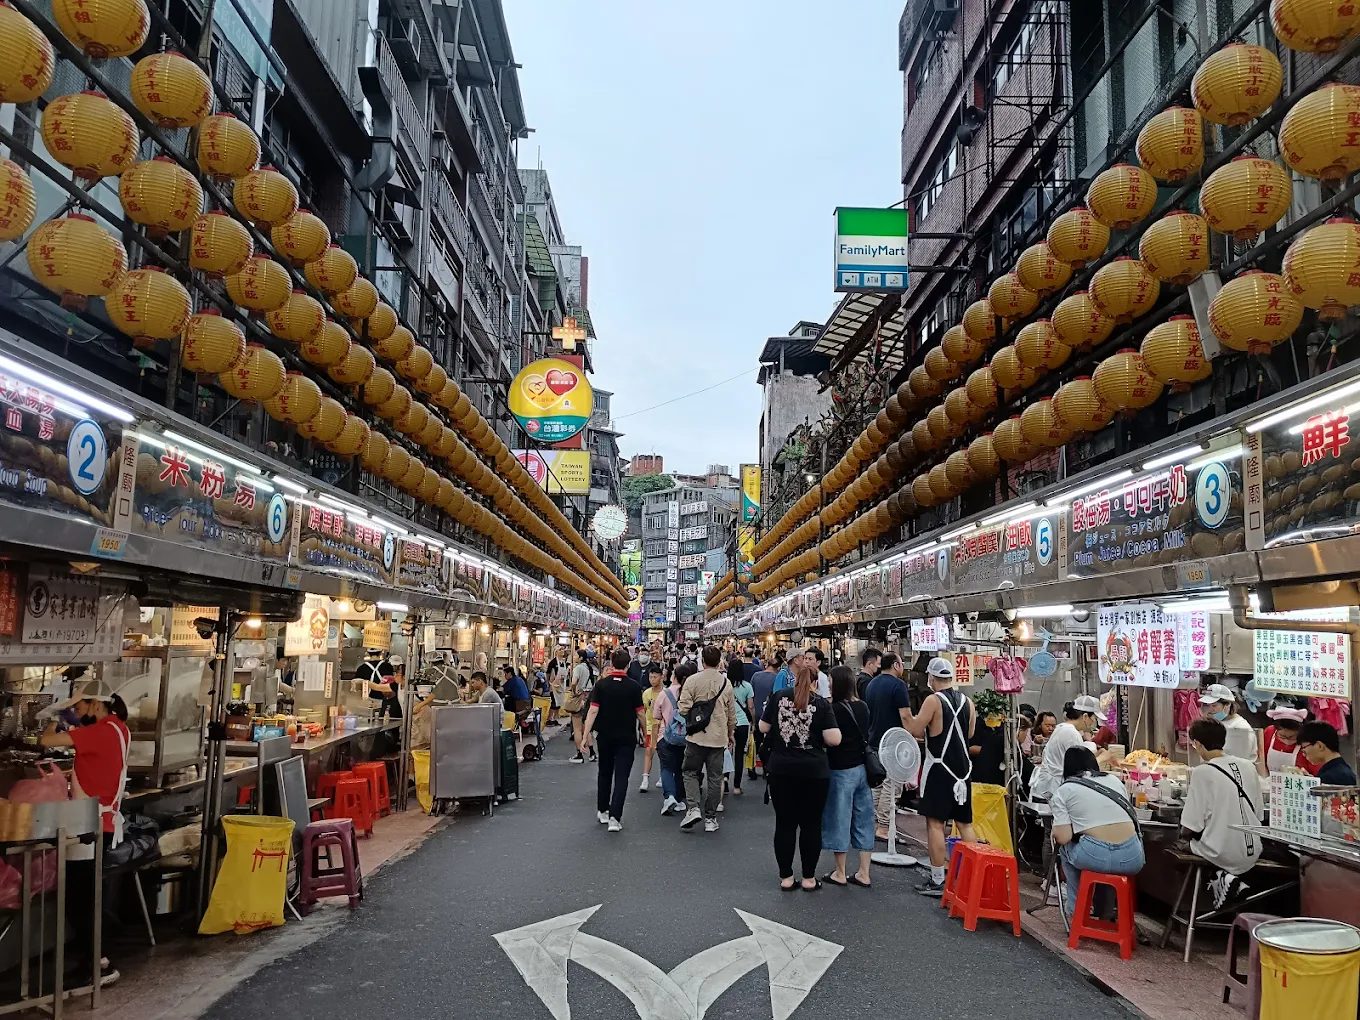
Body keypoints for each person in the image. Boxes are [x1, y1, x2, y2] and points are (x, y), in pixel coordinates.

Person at [40, 679, 130, 987]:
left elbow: (45, 741)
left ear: (96, 704)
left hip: (89, 825)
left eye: (79, 707)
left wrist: (58, 716)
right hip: (100, 822)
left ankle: (99, 965)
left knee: (80, 899)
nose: (77, 713)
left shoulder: (99, 732)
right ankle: (94, 960)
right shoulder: (118, 727)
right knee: (86, 895)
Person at [759, 662, 842, 890]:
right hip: (814, 772)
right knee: (811, 824)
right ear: (816, 682)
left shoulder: (778, 697)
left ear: (794, 678)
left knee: (784, 824)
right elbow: (834, 739)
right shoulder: (822, 704)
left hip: (781, 769)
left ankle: (786, 878)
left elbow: (763, 728)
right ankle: (808, 878)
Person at [904, 657, 977, 896]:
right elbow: (970, 733)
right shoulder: (969, 702)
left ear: (932, 678)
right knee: (964, 823)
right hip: (963, 770)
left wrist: (908, 717)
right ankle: (971, 878)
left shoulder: (933, 700)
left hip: (939, 768)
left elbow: (915, 729)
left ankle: (937, 879)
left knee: (935, 824)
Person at [1050, 746, 1144, 923]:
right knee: (1101, 860)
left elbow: (1063, 837)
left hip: (1095, 856)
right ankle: (1106, 914)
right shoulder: (1115, 781)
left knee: (1066, 849)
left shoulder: (1064, 790)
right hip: (1132, 857)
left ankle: (1077, 912)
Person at [1181, 718, 1265, 898]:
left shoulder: (1202, 772)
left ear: (1197, 744)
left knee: (1178, 845)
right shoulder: (1248, 766)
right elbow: (1259, 813)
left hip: (1220, 852)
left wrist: (1182, 837)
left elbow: (1191, 825)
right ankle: (1226, 881)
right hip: (1253, 852)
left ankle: (1221, 881)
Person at [578, 648, 645, 831]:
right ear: (628, 665)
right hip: (626, 737)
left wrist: (585, 736)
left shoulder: (601, 685)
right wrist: (646, 733)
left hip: (605, 736)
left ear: (611, 663)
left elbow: (593, 711)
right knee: (622, 777)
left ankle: (602, 811)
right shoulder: (634, 686)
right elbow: (640, 713)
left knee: (604, 772)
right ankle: (615, 818)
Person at [822, 665, 875, 888]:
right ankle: (864, 872)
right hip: (863, 769)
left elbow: (828, 739)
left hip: (840, 770)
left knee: (839, 818)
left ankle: (840, 871)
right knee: (864, 819)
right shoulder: (863, 707)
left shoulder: (832, 709)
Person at [678, 646, 736, 832]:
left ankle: (693, 807)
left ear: (702, 661)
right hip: (718, 738)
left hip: (695, 736)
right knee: (714, 777)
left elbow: (683, 708)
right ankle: (710, 819)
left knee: (690, 772)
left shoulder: (692, 681)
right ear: (720, 661)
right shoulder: (726, 684)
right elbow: (731, 714)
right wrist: (730, 733)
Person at [864, 652, 911, 841]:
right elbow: (906, 716)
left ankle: (873, 824)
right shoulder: (898, 686)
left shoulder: (872, 683)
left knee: (877, 785)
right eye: (901, 663)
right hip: (894, 742)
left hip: (875, 740)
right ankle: (883, 827)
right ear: (895, 665)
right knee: (892, 786)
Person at [1029, 696, 1104, 801]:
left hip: (1048, 789)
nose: (1093, 723)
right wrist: (1104, 758)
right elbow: (1081, 768)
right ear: (1085, 716)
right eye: (1094, 719)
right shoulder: (1071, 733)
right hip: (1052, 791)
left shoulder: (1063, 728)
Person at [654, 662, 692, 815]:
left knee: (667, 767)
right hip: (687, 737)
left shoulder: (665, 693)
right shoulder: (690, 693)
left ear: (673, 676)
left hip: (666, 736)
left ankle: (669, 796)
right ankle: (679, 798)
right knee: (680, 768)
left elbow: (656, 715)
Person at [1199, 683, 1257, 761]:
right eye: (1207, 705)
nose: (1209, 709)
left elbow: (1240, 762)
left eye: (1214, 705)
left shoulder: (1240, 727)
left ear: (1227, 705)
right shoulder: (1216, 723)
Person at [1258, 702, 1316, 776]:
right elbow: (1260, 758)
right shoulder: (1269, 732)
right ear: (1276, 730)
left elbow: (1317, 773)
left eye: (1292, 737)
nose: (1287, 740)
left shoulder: (1309, 743)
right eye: (1282, 736)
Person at [726, 654, 756, 795]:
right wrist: (753, 721)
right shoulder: (747, 686)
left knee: (726, 752)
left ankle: (724, 780)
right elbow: (750, 706)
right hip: (743, 722)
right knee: (739, 754)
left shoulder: (724, 684)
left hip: (727, 722)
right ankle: (737, 786)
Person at [1299, 721, 1358, 785]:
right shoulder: (1340, 769)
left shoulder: (1330, 777)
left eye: (1304, 749)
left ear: (1319, 746)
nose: (1303, 754)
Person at [568, 649, 598, 764]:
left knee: (577, 728)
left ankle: (579, 754)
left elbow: (574, 683)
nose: (574, 656)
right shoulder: (588, 667)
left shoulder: (578, 668)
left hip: (579, 699)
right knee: (586, 727)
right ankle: (592, 752)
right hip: (588, 699)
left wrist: (574, 692)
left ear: (580, 657)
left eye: (575, 655)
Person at [639, 662, 664, 792]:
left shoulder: (666, 693)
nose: (652, 680)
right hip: (650, 726)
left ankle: (661, 776)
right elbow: (643, 710)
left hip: (662, 728)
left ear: (661, 677)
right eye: (650, 677)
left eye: (655, 677)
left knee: (662, 753)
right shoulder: (646, 693)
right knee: (648, 751)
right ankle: (645, 778)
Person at [968, 702, 1007, 786]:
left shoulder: (1004, 726)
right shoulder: (977, 723)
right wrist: (990, 750)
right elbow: (970, 748)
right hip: (979, 768)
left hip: (998, 770)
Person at [358, 648, 401, 719]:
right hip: (384, 700)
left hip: (368, 701)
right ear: (381, 653)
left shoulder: (361, 668)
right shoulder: (388, 666)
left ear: (368, 654)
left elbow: (359, 687)